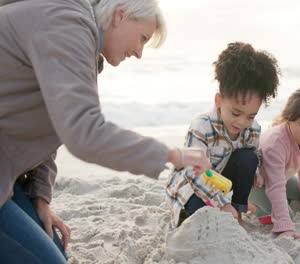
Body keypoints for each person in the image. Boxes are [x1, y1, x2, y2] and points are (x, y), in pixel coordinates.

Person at [0, 0, 210, 263]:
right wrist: (172, 155)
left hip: (9, 174)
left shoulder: (79, 36)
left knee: (54, 245)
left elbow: (53, 123)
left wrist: (40, 197)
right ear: (120, 15)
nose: (139, 53)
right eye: (142, 38)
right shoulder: (67, 25)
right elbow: (84, 133)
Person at [165, 42, 280, 231]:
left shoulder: (252, 129)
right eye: (236, 113)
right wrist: (221, 203)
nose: (242, 122)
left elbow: (252, 157)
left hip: (220, 182)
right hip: (191, 187)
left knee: (248, 158)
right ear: (219, 101)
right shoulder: (201, 126)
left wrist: (257, 174)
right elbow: (193, 174)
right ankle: (221, 213)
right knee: (199, 216)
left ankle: (238, 214)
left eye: (251, 116)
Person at [248, 87, 300, 239]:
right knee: (286, 216)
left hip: (280, 178)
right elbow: (275, 186)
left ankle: (280, 204)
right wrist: (284, 226)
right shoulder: (276, 143)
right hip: (255, 184)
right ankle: (249, 204)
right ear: (289, 118)